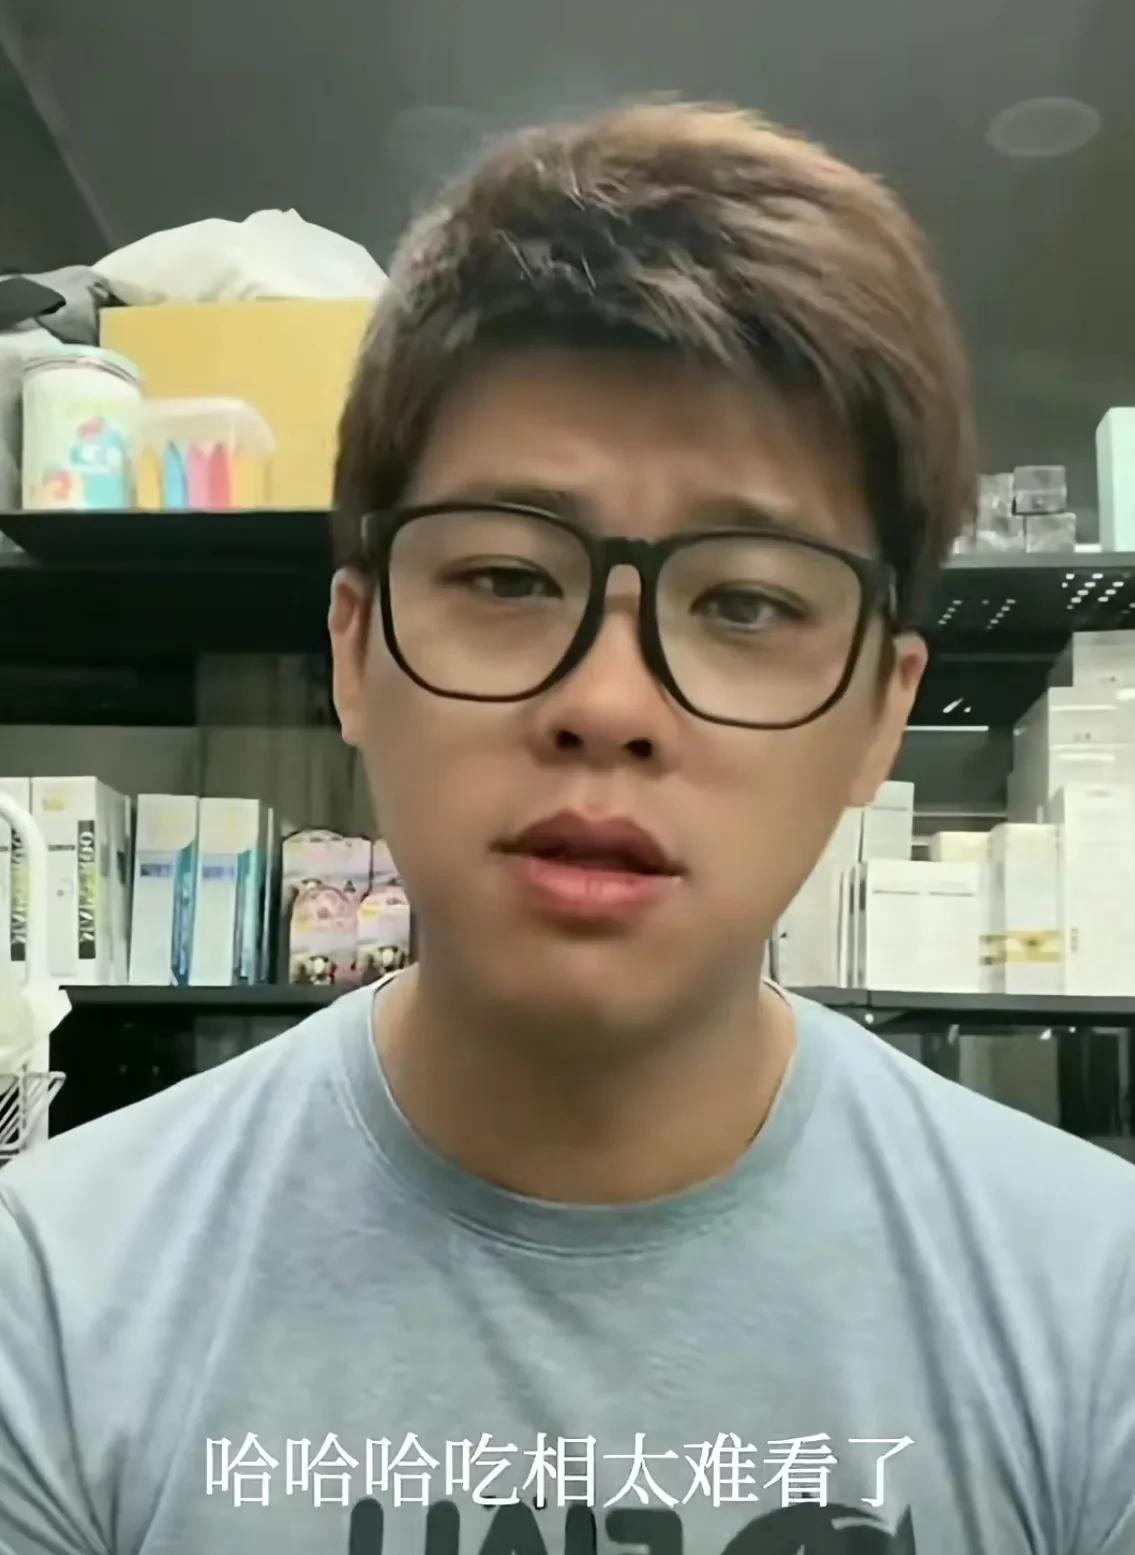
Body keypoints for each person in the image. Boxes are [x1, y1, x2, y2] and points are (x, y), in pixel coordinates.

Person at [1, 103, 1131, 1555]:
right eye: (508, 578)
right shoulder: (58, 1297)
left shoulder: (1096, 1308)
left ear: (879, 716)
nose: (608, 704)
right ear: (355, 650)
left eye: (745, 602)